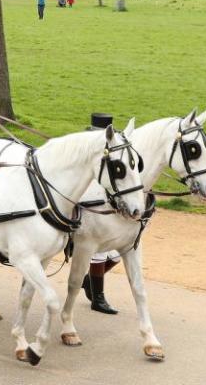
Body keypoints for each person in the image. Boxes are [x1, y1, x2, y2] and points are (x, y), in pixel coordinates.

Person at [83, 112, 121, 315]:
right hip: (86, 206)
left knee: (116, 255)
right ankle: (98, 298)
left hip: (102, 202)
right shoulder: (87, 150)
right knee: (100, 253)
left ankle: (87, 280)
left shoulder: (110, 152)